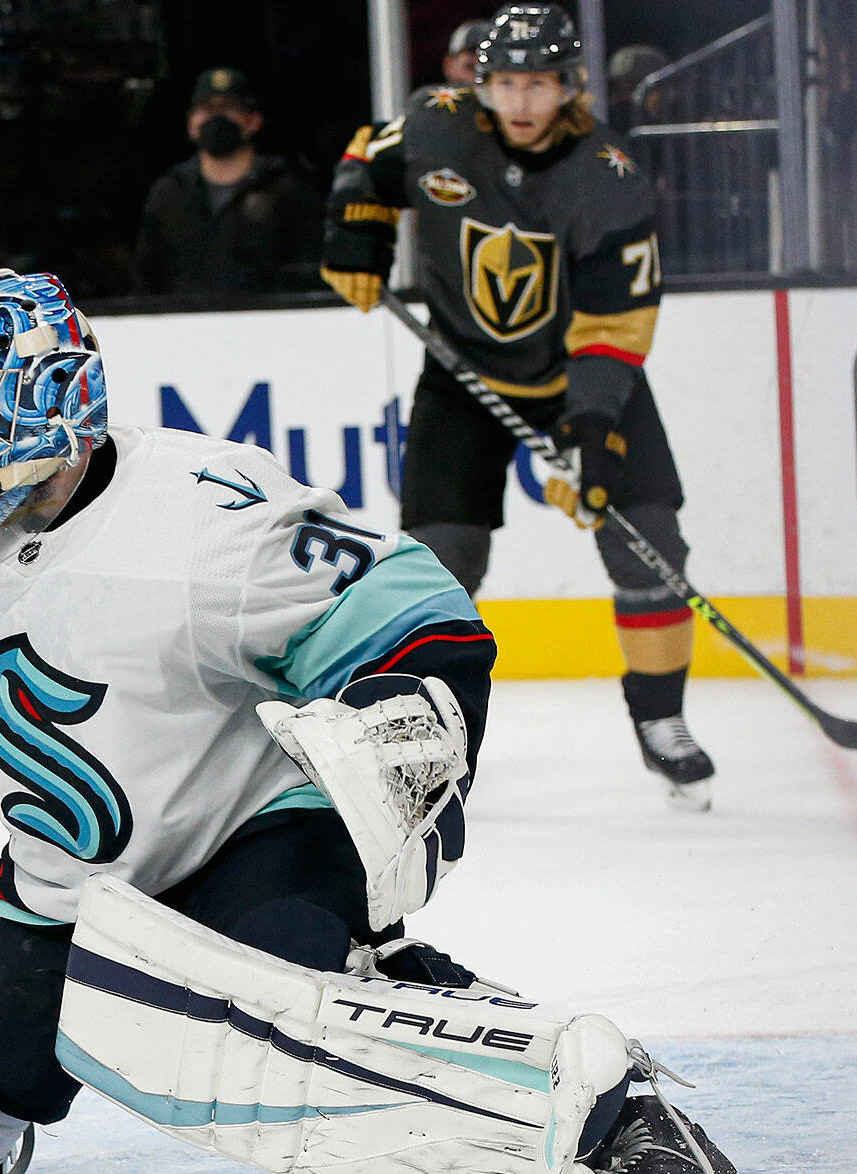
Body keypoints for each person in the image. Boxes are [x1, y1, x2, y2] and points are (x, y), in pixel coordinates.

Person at [0, 268, 765, 1174]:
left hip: (253, 844)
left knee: (213, 1030)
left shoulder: (201, 512)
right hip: (63, 888)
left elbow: (415, 616)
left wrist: (398, 729)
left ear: (53, 401)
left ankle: (595, 1118)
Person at [321, 3, 715, 809]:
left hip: (584, 374)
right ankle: (431, 735)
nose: (522, 103)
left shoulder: (608, 177)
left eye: (539, 84)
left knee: (649, 542)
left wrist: (594, 426)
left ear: (569, 86)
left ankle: (661, 720)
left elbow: (615, 323)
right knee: (438, 560)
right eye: (506, 84)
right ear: (482, 84)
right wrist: (355, 228)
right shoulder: (435, 125)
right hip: (464, 376)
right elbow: (367, 158)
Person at [131, 69, 323, 296]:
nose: (216, 117)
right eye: (206, 109)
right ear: (190, 123)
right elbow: (146, 279)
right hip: (185, 326)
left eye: (229, 108)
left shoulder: (288, 190)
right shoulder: (168, 194)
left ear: (253, 121)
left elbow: (309, 274)